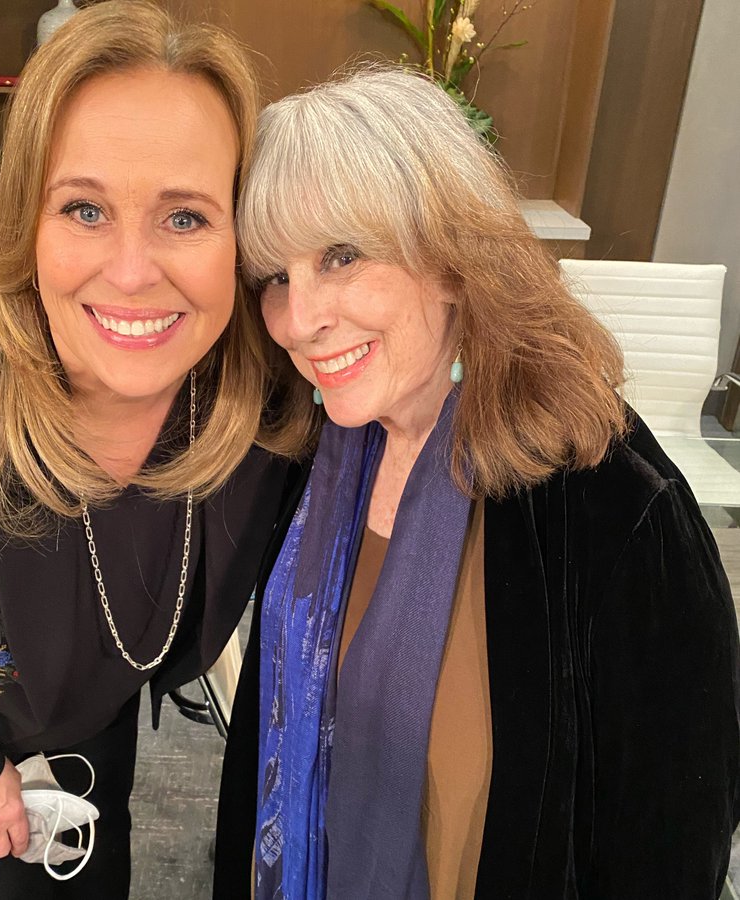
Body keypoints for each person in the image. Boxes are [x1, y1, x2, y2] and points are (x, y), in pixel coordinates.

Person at [213, 67, 740, 900]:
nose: (299, 320)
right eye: (275, 276)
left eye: (342, 256)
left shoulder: (618, 511)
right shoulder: (316, 452)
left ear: (452, 257)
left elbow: (670, 845)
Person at [0, 2, 315, 898]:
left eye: (185, 218)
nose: (132, 272)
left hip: (89, 707)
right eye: (85, 209)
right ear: (27, 220)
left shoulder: (259, 391)